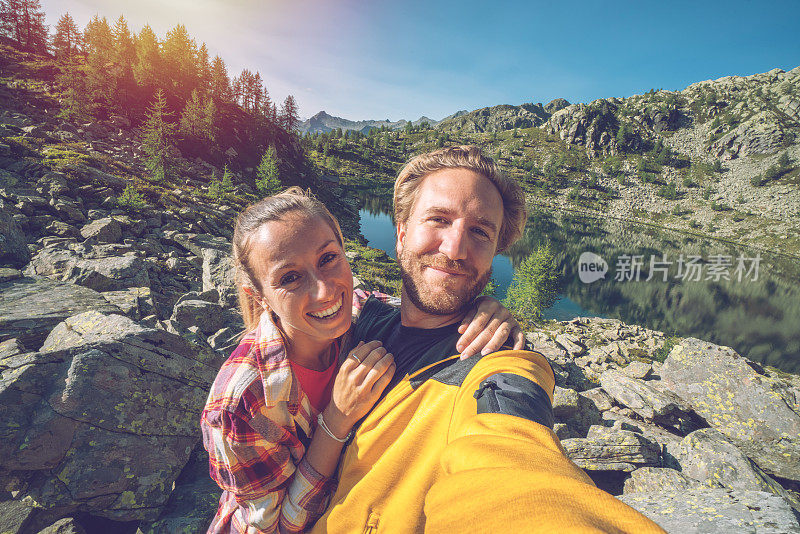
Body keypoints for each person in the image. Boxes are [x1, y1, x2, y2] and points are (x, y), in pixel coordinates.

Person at [311, 146, 666, 533]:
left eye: (480, 232)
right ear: (400, 234)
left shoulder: (499, 360)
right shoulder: (364, 319)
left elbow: (512, 459)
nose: (455, 249)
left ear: (495, 251)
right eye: (438, 219)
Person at [200, 187, 526, 533]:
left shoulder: (358, 312)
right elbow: (274, 528)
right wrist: (336, 421)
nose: (325, 291)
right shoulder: (242, 402)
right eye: (289, 278)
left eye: (328, 259)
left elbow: (420, 306)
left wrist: (483, 309)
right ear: (259, 295)